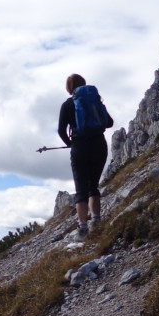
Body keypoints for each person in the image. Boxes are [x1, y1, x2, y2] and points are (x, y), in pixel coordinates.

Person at [57, 73, 113, 236]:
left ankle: (83, 226)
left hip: (79, 147)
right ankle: (96, 219)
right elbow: (109, 122)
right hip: (99, 144)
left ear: (68, 88)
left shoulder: (67, 104)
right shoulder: (96, 100)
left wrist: (70, 143)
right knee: (92, 186)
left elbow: (61, 130)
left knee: (81, 188)